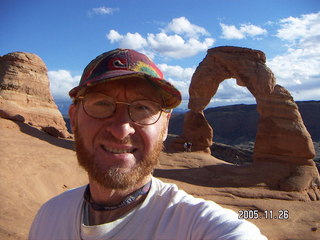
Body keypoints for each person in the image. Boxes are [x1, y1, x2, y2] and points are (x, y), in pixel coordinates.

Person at [29, 48, 267, 240]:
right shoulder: (49, 216)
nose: (121, 129)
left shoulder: (199, 226)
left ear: (165, 126)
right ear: (74, 118)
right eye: (101, 104)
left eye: (143, 108)